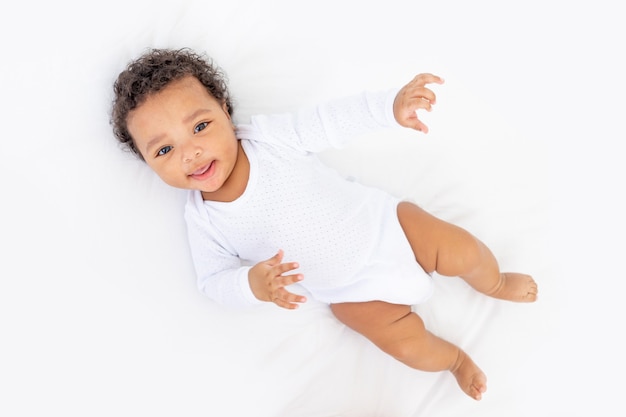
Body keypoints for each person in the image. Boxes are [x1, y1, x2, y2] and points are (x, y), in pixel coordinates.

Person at [111, 48, 538, 401]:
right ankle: (456, 361)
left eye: (200, 126)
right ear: (147, 163)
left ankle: (495, 283)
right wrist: (252, 285)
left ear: (224, 109)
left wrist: (389, 107)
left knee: (464, 252)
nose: (191, 154)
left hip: (391, 229)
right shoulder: (204, 220)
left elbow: (329, 121)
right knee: (408, 347)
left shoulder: (267, 140)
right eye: (164, 150)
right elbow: (212, 281)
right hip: (351, 294)